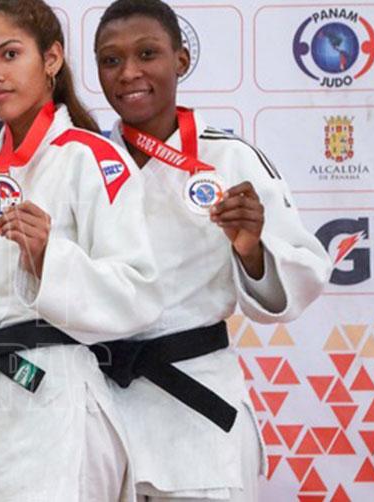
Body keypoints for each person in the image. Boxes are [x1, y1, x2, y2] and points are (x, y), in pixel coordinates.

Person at [93, 1, 332, 500]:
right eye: (111, 60)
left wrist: (252, 250)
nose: (129, 72)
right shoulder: (84, 160)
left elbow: (303, 276)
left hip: (195, 404)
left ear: (181, 60)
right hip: (103, 408)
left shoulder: (230, 158)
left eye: (147, 54)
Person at [0, 1, 162, 501]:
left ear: (51, 59)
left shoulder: (94, 157)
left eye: (10, 54)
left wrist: (48, 257)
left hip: (55, 404)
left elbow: (139, 292)